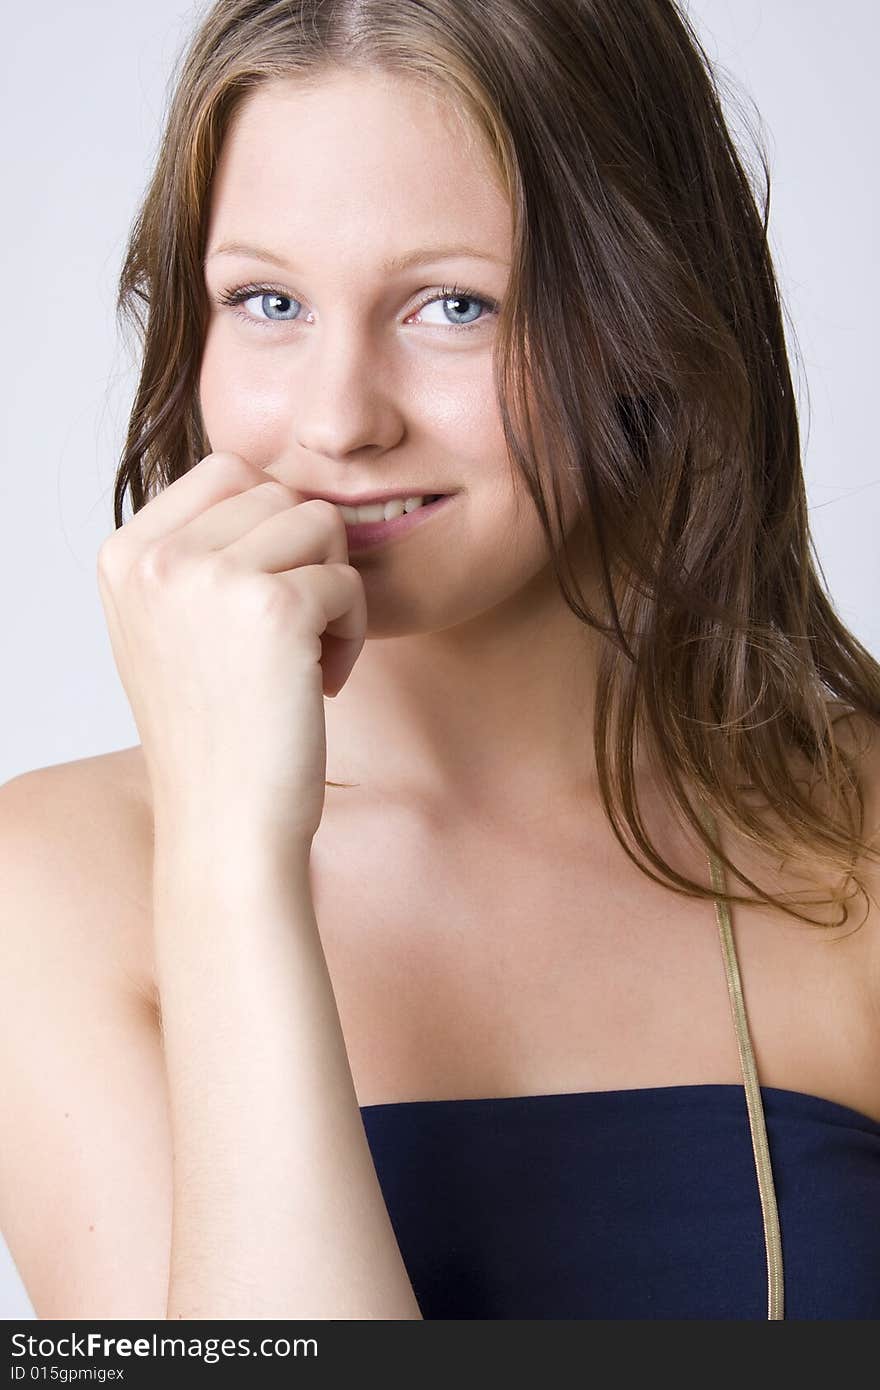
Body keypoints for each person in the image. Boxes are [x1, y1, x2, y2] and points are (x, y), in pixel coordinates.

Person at [1, 0, 879, 1322]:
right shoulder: (52, 882)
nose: (339, 417)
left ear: (645, 317)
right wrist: (230, 854)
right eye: (268, 300)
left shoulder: (857, 833)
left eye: (452, 304)